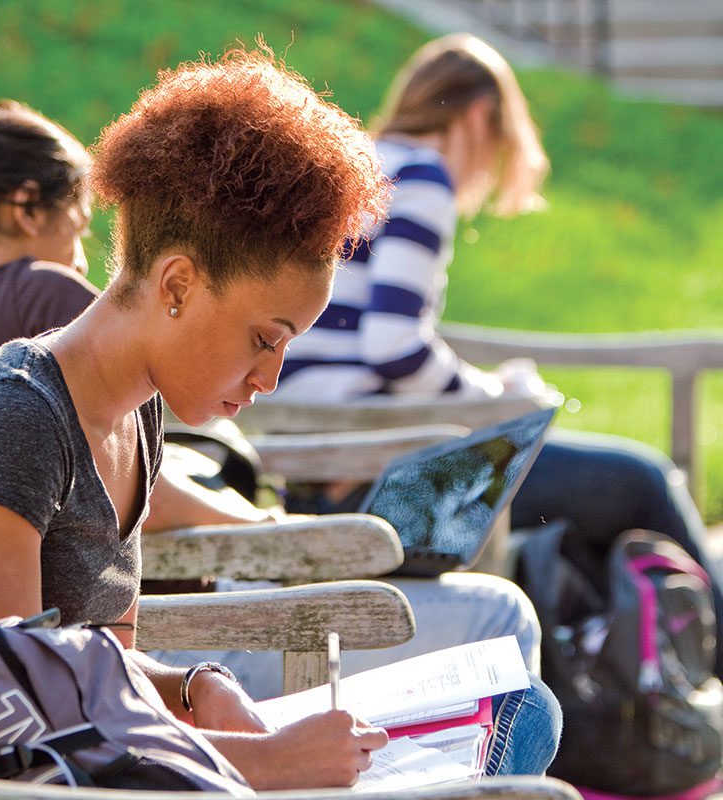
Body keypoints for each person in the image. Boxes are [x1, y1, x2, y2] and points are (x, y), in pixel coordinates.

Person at [0, 50, 559, 788]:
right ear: (179, 285)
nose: (271, 377)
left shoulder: (133, 420)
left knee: (515, 724)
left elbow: (88, 668)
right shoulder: (8, 418)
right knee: (513, 761)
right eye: (265, 338)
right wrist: (265, 765)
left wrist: (192, 686)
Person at [274, 33, 723, 672]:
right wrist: (500, 400)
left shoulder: (350, 168)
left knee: (585, 517)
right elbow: (394, 347)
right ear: (481, 116)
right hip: (380, 482)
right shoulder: (418, 174)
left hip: (310, 470)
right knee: (642, 481)